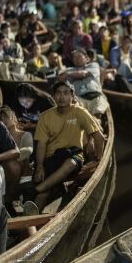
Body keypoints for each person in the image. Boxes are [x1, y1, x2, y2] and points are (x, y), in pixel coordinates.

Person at [29, 81, 104, 210]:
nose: (62, 96)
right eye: (58, 93)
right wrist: (39, 167)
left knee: (71, 163)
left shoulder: (80, 112)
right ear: (53, 97)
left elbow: (100, 138)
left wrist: (98, 160)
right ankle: (30, 220)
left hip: (74, 155)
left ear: (72, 96)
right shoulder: (45, 117)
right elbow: (41, 145)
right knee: (43, 194)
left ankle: (33, 191)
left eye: (65, 93)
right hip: (51, 158)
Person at [59, 48, 109, 116]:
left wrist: (68, 74)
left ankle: (97, 119)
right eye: (74, 57)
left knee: (99, 105)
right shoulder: (69, 70)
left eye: (79, 56)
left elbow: (84, 74)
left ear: (86, 58)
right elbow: (60, 78)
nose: (77, 59)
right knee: (72, 105)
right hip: (79, 98)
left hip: (96, 96)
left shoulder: (93, 65)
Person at [0, 106, 34, 178]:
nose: (4, 120)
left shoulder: (25, 134)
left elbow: (28, 149)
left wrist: (10, 156)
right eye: (1, 118)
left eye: (6, 116)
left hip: (21, 169)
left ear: (13, 118)